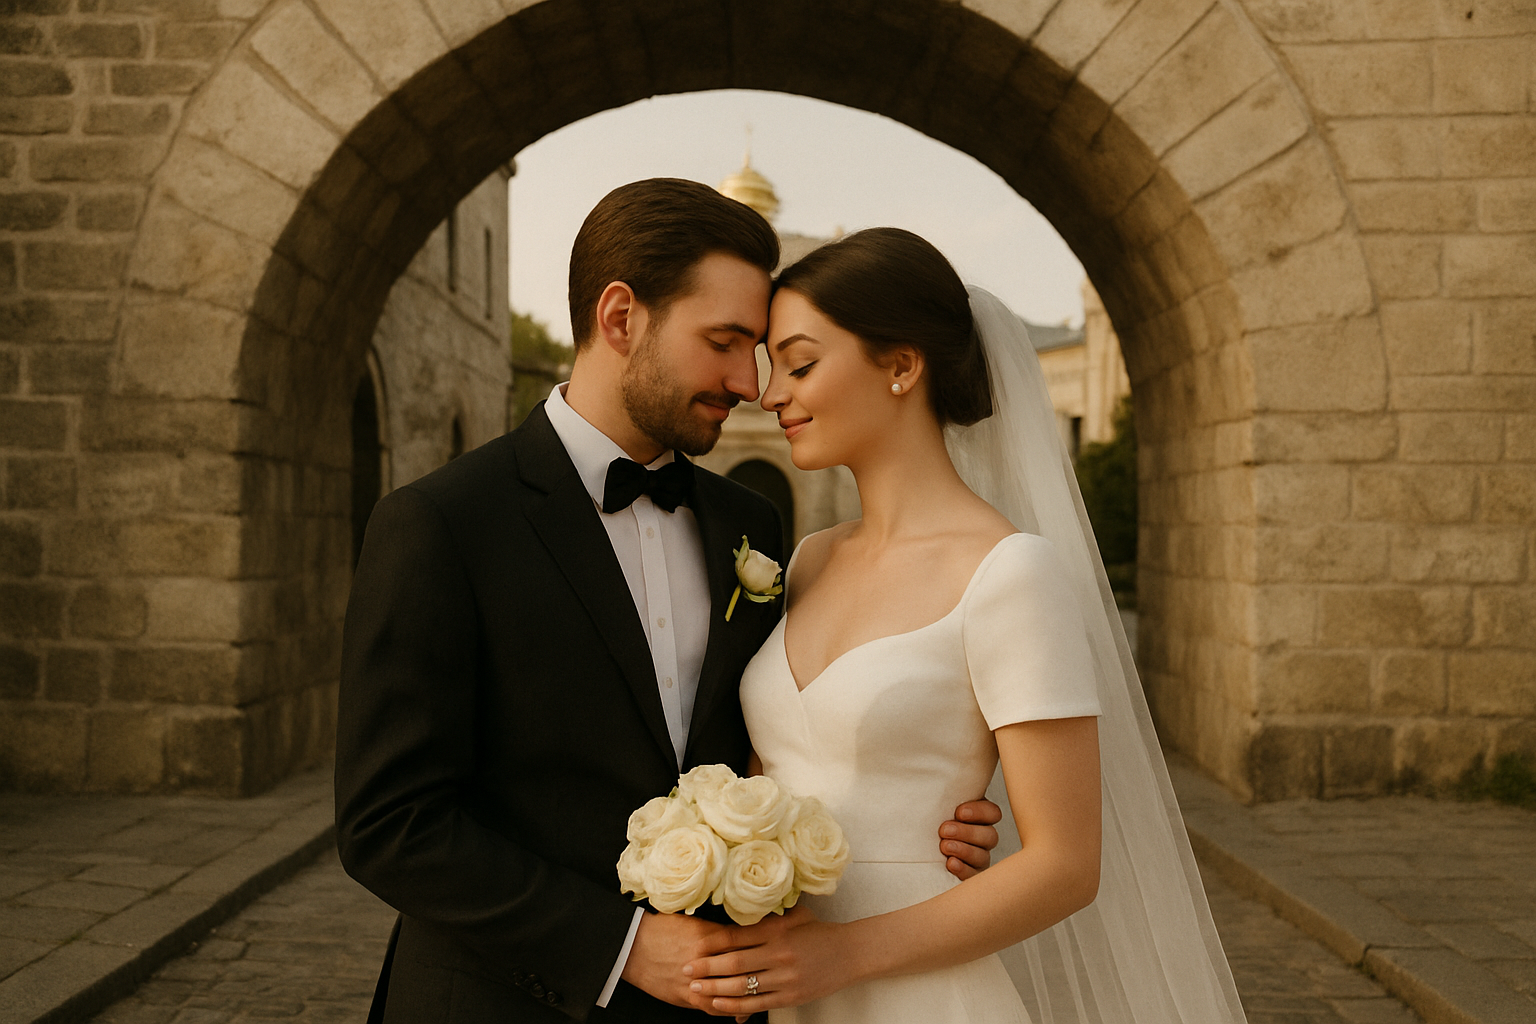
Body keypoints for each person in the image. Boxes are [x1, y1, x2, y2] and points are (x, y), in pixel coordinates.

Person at [334, 181, 1001, 1023]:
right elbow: (388, 822)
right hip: (498, 1002)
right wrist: (620, 946)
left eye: (759, 348)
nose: (749, 382)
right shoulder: (439, 523)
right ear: (621, 318)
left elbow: (792, 739)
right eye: (725, 342)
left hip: (724, 1008)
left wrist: (917, 816)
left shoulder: (749, 526)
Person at [680, 228, 1248, 1023]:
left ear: (904, 366)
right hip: (786, 993)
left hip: (920, 994)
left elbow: (1064, 866)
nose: (771, 393)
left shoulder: (1011, 573)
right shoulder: (808, 559)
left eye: (801, 364)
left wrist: (841, 953)